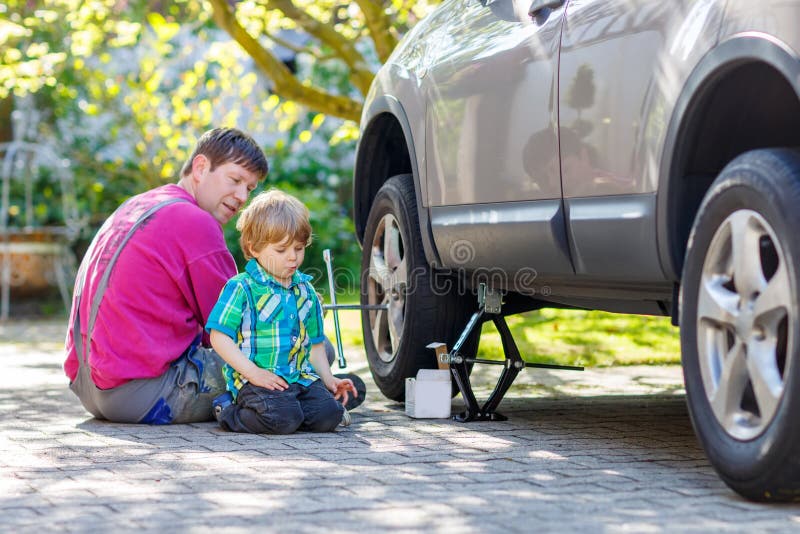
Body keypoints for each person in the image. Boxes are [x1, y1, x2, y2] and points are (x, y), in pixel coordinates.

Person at [64, 127, 270, 424]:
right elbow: (238, 329)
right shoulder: (196, 223)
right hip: (145, 392)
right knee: (303, 353)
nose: (241, 197)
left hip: (89, 388)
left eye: (249, 189)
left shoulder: (136, 206)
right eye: (235, 180)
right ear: (200, 168)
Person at [207, 189, 358, 434]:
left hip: (298, 378)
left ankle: (294, 410)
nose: (293, 258)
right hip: (255, 380)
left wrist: (329, 379)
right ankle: (227, 410)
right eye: (281, 250)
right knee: (282, 419)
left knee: (329, 415)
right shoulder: (241, 288)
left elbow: (316, 344)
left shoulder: (305, 290)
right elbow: (219, 337)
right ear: (254, 248)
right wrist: (253, 373)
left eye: (298, 248)